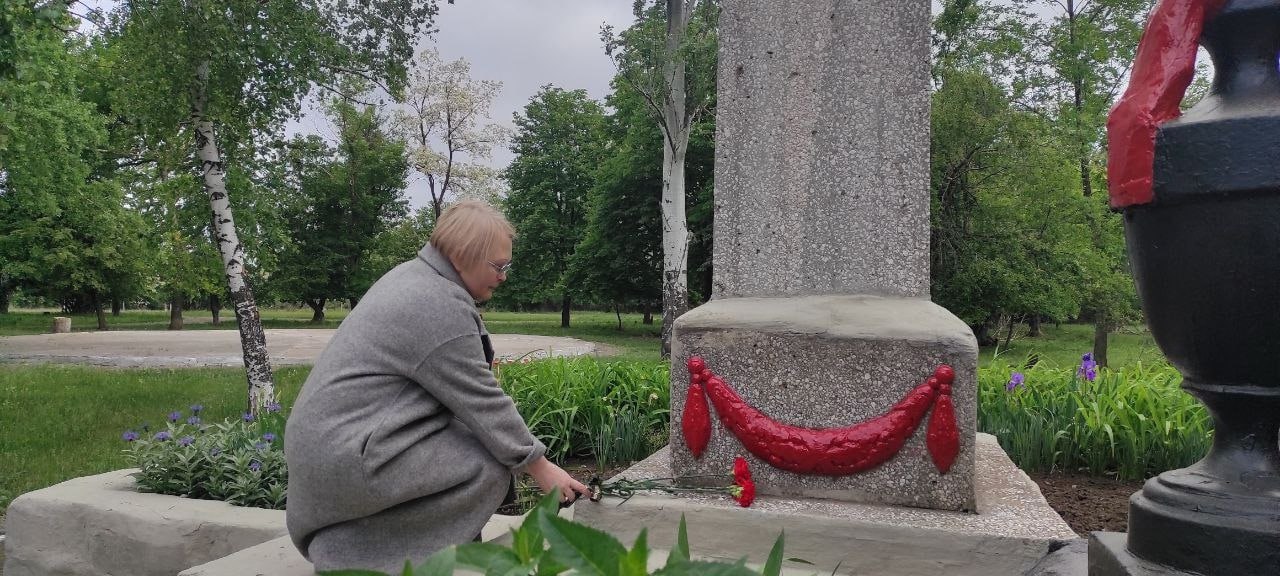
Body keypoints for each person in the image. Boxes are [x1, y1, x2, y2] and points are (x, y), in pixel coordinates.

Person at [284, 200, 588, 573]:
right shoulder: (436, 303)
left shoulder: (413, 277)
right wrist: (540, 467)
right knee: (487, 464)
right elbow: (482, 402)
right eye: (498, 266)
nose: (504, 276)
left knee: (471, 440)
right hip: (349, 458)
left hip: (333, 450)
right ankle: (363, 560)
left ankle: (356, 549)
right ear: (461, 256)